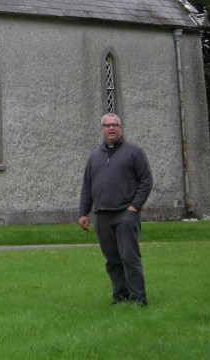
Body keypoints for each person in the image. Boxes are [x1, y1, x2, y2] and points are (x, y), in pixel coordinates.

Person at [77, 113, 153, 306]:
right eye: (107, 125)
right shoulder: (94, 157)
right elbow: (87, 186)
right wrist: (83, 213)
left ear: (120, 128)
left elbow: (146, 180)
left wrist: (135, 206)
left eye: (115, 125)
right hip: (102, 215)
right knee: (112, 260)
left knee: (129, 257)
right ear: (101, 129)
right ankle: (120, 296)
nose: (111, 128)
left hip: (125, 214)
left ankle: (138, 298)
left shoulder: (133, 152)